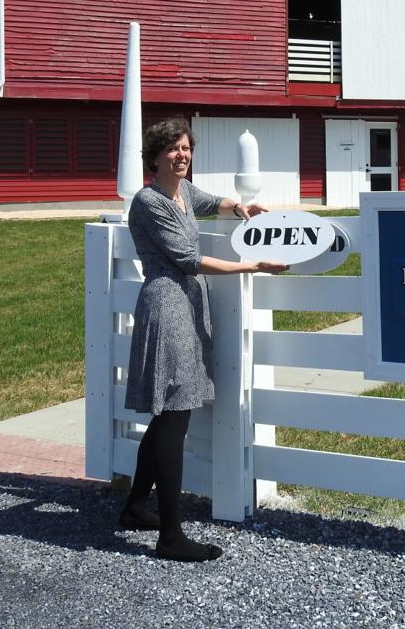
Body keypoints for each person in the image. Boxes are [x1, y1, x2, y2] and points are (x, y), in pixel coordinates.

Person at [120, 117, 286, 562]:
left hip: (185, 306)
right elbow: (190, 260)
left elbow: (214, 202)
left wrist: (243, 209)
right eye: (173, 149)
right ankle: (171, 536)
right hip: (167, 306)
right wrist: (253, 266)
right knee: (175, 416)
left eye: (186, 148)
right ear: (154, 156)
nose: (182, 155)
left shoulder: (182, 193)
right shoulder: (149, 201)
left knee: (168, 418)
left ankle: (136, 506)